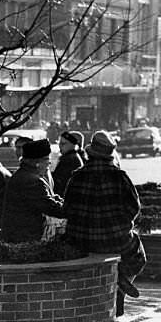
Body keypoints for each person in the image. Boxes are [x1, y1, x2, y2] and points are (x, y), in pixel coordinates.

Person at [63, 130, 146, 307]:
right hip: (115, 239)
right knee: (138, 255)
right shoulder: (119, 176)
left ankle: (119, 282)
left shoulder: (77, 176)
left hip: (80, 240)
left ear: (91, 153)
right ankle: (122, 282)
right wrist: (122, 225)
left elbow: (67, 208)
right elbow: (134, 207)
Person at [0, 138, 66, 242]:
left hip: (21, 233)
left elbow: (50, 198)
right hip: (25, 236)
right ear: (37, 163)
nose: (48, 165)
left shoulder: (26, 175)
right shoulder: (31, 180)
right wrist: (73, 210)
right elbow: (50, 206)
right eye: (47, 161)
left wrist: (64, 202)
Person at [52, 131, 85, 198]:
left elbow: (60, 182)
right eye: (59, 143)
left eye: (63, 144)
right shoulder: (71, 157)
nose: (60, 146)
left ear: (72, 144)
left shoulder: (69, 159)